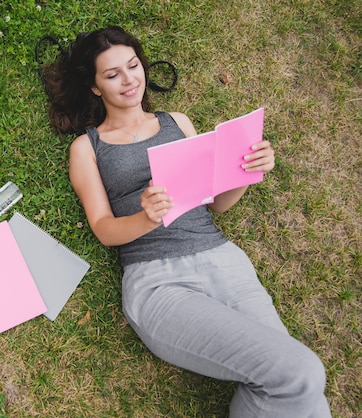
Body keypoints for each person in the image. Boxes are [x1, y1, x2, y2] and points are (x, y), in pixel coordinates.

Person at [43, 26, 331, 417]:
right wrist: (146, 218)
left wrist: (248, 171)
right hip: (158, 282)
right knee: (301, 373)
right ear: (95, 87)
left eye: (133, 66)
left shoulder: (177, 121)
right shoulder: (87, 147)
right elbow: (103, 228)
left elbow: (216, 204)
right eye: (113, 75)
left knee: (295, 383)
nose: (130, 80)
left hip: (225, 263)